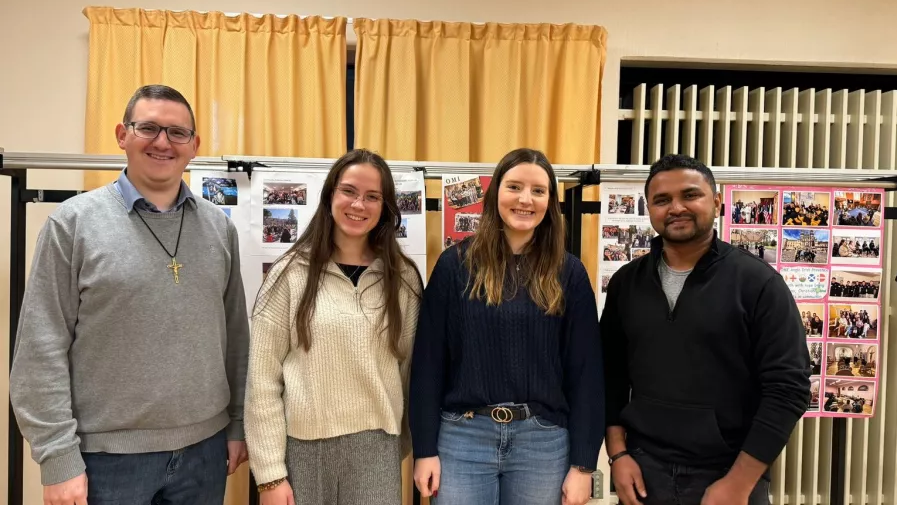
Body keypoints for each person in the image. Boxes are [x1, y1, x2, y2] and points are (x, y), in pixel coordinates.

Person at [10, 84, 250, 505]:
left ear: (194, 146)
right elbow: (40, 348)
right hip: (105, 460)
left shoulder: (218, 227)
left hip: (205, 453)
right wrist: (57, 457)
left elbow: (235, 337)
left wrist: (237, 424)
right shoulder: (72, 224)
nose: (163, 142)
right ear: (123, 135)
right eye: (148, 128)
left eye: (177, 133)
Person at [600, 154, 811, 505]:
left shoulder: (757, 283)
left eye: (690, 195)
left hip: (728, 472)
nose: (676, 208)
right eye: (662, 200)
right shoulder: (627, 283)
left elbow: (788, 389)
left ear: (716, 202)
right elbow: (612, 375)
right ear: (649, 209)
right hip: (643, 470)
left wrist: (739, 484)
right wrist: (618, 454)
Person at [409, 148, 605, 505]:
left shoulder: (569, 273)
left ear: (550, 201)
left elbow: (586, 373)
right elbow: (428, 363)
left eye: (538, 191)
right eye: (514, 187)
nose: (525, 199)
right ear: (495, 192)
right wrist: (424, 449)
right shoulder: (455, 266)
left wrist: (583, 465)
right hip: (463, 438)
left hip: (542, 442)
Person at [244, 149, 423, 505]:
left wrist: (397, 447)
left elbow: (409, 373)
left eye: (372, 196)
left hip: (377, 452)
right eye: (349, 191)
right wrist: (269, 476)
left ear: (385, 207)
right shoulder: (290, 274)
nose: (359, 204)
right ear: (329, 195)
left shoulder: (402, 278)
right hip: (302, 451)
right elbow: (262, 380)